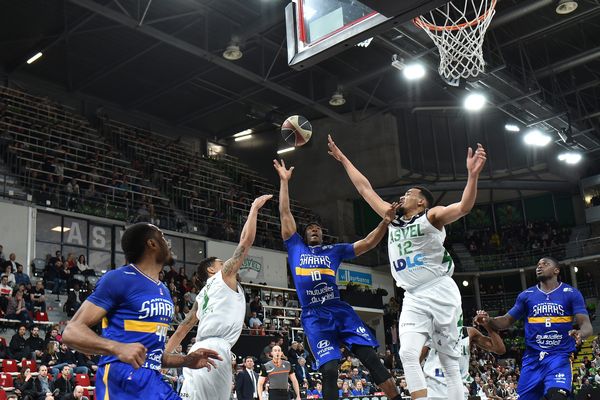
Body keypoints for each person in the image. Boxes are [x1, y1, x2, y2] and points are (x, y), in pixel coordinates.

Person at [327, 135, 487, 400]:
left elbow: (464, 207)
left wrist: (472, 176)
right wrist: (343, 159)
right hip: (412, 295)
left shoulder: (431, 216)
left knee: (448, 362)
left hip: (439, 290)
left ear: (421, 201)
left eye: (409, 194)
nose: (403, 196)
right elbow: (365, 189)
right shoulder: (392, 220)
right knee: (407, 354)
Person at [274, 159, 402, 400]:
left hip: (340, 311)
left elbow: (367, 243)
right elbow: (284, 212)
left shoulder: (334, 250)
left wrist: (385, 222)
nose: (314, 230)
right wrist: (284, 181)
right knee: (330, 370)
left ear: (322, 234)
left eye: (318, 228)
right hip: (314, 315)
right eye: (310, 228)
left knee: (372, 360)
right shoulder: (295, 248)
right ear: (304, 234)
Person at [62, 222, 221, 400]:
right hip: (122, 380)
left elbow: (154, 355)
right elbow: (71, 332)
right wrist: (116, 347)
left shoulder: (164, 289)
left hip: (153, 379)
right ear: (151, 244)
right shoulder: (118, 278)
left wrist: (187, 360)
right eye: (162, 237)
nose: (167, 242)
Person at [165, 195, 272, 400]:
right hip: (215, 350)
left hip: (196, 350)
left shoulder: (202, 295)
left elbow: (182, 329)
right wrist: (254, 208)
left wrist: (163, 359)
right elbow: (245, 242)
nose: (227, 265)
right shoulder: (223, 277)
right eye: (221, 263)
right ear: (211, 270)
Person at [475, 257, 593, 400]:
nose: (540, 267)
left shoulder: (571, 293)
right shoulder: (526, 296)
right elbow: (505, 321)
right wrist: (489, 320)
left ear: (556, 270)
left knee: (557, 396)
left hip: (559, 358)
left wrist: (581, 333)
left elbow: (586, 325)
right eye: (538, 265)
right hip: (532, 361)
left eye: (545, 264)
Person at [422, 311, 506, 400]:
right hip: (433, 386)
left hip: (458, 386)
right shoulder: (432, 330)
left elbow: (500, 349)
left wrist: (487, 325)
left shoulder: (468, 332)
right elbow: (416, 359)